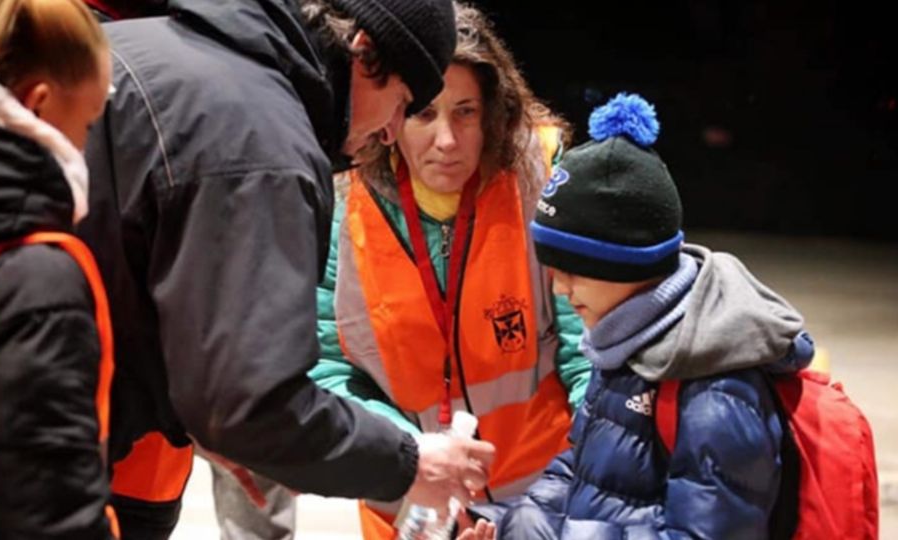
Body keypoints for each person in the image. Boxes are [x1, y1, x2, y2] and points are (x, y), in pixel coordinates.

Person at [78, 0, 495, 537]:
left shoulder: (157, 50)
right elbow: (251, 402)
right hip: (24, 452)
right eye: (403, 103)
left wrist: (197, 415)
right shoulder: (261, 140)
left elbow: (135, 280)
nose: (392, 132)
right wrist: (414, 463)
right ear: (363, 52)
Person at [309, 4, 592, 538]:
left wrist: (568, 490)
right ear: (391, 116)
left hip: (545, 497)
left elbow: (590, 350)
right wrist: (412, 457)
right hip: (410, 504)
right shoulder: (342, 209)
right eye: (424, 114)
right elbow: (326, 368)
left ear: (494, 112)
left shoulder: (544, 186)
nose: (447, 140)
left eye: (465, 112)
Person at [493, 93, 815, 539]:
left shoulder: (715, 387)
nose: (559, 289)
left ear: (628, 264)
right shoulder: (624, 343)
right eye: (551, 269)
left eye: (574, 272)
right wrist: (500, 523)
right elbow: (583, 476)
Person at [0, 0, 117, 538]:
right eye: (87, 124)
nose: (87, 149)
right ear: (36, 107)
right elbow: (54, 519)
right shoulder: (34, 281)